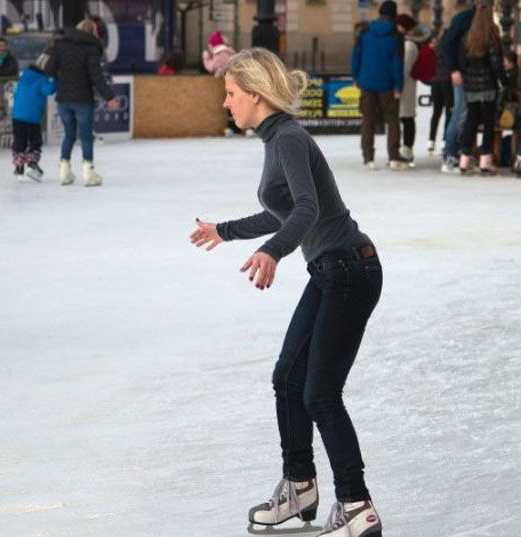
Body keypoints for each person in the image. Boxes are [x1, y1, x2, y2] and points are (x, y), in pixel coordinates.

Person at [190, 47, 384, 537]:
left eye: (231, 94)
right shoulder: (276, 139)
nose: (227, 103)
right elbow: (282, 211)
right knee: (288, 379)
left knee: (319, 393)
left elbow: (307, 210)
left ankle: (356, 506)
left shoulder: (290, 138)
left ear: (255, 94)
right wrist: (225, 230)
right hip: (332, 270)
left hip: (349, 269)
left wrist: (273, 252)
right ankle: (300, 484)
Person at [45, 19, 118, 187]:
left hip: (63, 100)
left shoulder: (61, 45)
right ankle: (88, 173)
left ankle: (64, 171)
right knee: (85, 137)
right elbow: (97, 78)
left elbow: (48, 69)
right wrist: (109, 96)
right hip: (83, 100)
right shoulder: (91, 49)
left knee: (69, 135)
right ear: (93, 32)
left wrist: (62, 76)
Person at [351, 0, 406, 170]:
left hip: (366, 81)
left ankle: (368, 157)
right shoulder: (396, 36)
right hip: (387, 84)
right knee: (392, 120)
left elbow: (356, 55)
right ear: (394, 15)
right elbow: (397, 63)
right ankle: (393, 156)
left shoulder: (365, 31)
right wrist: (398, 86)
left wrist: (356, 76)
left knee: (368, 119)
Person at [457, 0, 505, 175]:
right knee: (488, 124)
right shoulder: (491, 37)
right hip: (488, 86)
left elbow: (462, 63)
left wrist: (468, 76)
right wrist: (503, 80)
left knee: (471, 120)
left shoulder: (467, 37)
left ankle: (464, 159)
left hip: (471, 87)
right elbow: (496, 64)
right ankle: (485, 161)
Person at [440, 2, 477, 173]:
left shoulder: (476, 18)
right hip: (461, 73)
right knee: (460, 113)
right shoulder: (465, 19)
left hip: (470, 74)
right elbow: (447, 45)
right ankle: (450, 152)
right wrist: (454, 69)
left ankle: (460, 150)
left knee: (466, 114)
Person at [11, 51, 58, 181]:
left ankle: (19, 165)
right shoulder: (41, 79)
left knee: (19, 139)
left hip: (17, 116)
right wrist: (56, 79)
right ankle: (32, 163)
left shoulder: (24, 75)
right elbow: (49, 90)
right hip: (32, 117)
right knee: (35, 141)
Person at [395, 14, 430, 166]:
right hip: (406, 85)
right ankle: (406, 149)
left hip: (406, 86)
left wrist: (397, 84)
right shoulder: (411, 42)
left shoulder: (409, 45)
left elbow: (405, 68)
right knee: (405, 117)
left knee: (407, 117)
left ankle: (407, 150)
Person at [203, 30, 249, 136]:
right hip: (241, 83)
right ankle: (245, 128)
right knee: (240, 106)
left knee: (232, 107)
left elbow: (211, 67)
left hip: (234, 85)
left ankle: (233, 128)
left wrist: (206, 58)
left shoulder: (220, 55)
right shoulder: (230, 53)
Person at [428, 30, 454, 154]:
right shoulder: (451, 48)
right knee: (449, 112)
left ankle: (431, 140)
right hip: (447, 82)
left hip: (435, 82)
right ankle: (445, 140)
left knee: (436, 113)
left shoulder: (436, 49)